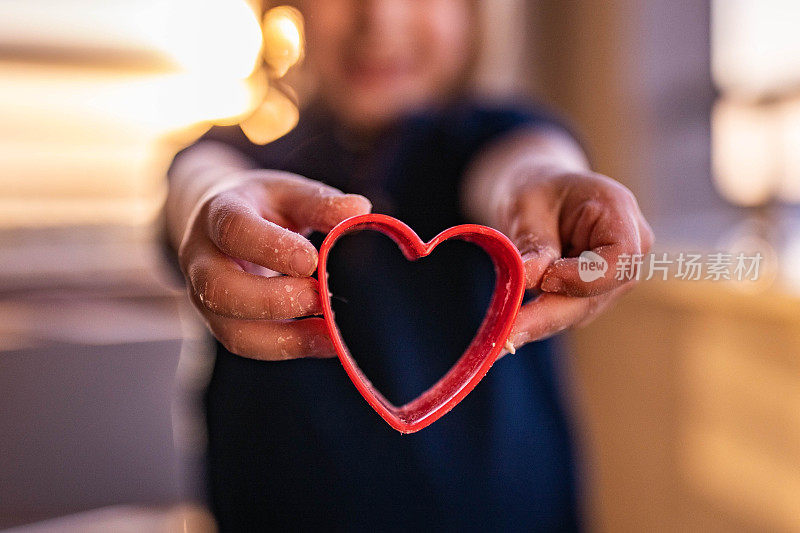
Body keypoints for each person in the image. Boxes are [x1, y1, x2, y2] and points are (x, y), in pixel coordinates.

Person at [166, 0, 653, 530]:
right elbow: (201, 180)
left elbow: (525, 162)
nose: (381, 17)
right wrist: (213, 204)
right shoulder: (245, 159)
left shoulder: (496, 137)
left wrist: (547, 184)